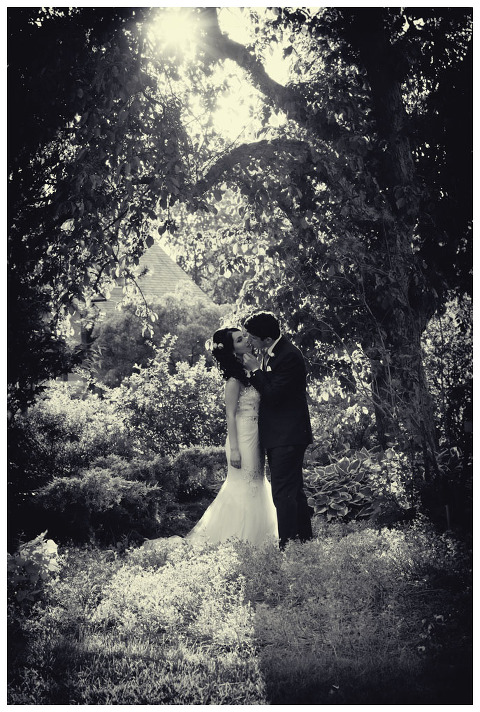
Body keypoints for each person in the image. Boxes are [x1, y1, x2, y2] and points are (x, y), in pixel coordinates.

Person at [185, 327, 278, 546]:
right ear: (232, 349)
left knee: (257, 482)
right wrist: (234, 449)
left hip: (257, 435)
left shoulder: (250, 371)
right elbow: (230, 415)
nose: (246, 340)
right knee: (245, 485)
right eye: (239, 340)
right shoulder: (234, 381)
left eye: (244, 336)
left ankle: (260, 540)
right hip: (242, 438)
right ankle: (238, 541)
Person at [243, 311, 313, 549]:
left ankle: (288, 547)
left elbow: (273, 395)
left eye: (252, 337)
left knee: (282, 493)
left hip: (288, 435)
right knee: (293, 491)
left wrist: (255, 371)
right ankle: (304, 542)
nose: (249, 340)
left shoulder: (289, 355)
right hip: (280, 435)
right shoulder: (269, 352)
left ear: (266, 338)